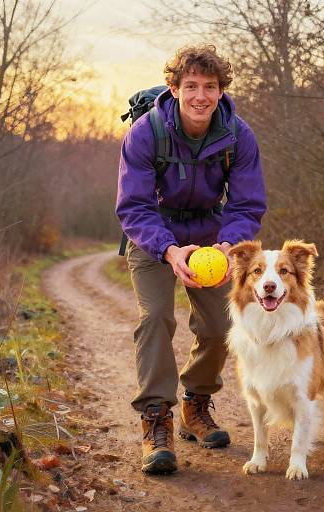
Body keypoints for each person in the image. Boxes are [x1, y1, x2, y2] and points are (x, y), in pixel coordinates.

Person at [115, 44, 266, 474]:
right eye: (191, 86)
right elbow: (134, 206)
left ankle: (194, 405)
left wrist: (228, 244)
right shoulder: (145, 133)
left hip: (211, 237)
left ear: (221, 92)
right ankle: (156, 419)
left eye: (210, 87)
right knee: (156, 318)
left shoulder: (239, 135)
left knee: (222, 325)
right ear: (174, 88)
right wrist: (167, 248)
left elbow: (247, 205)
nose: (201, 96)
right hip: (152, 236)